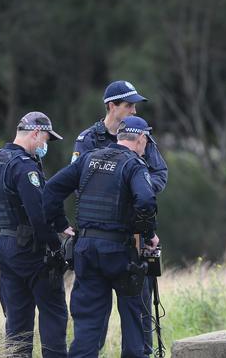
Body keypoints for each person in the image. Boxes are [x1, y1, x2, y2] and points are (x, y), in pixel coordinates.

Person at [43, 116, 159, 358]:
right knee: (133, 320)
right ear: (141, 139)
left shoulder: (88, 158)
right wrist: (148, 236)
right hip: (121, 253)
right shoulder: (134, 164)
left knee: (87, 326)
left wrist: (62, 224)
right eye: (146, 140)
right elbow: (146, 200)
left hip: (85, 250)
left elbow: (52, 189)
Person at [72, 80, 168, 354]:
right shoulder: (88, 140)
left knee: (138, 315)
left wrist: (135, 185)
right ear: (112, 106)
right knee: (91, 321)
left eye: (135, 105)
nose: (134, 110)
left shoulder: (140, 134)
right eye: (128, 105)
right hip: (99, 235)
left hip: (135, 236)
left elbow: (159, 174)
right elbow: (77, 181)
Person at [0, 111, 68, 357]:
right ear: (36, 133)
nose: (45, 146)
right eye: (46, 140)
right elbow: (38, 216)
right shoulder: (24, 167)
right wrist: (55, 246)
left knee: (17, 326)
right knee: (53, 316)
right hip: (34, 252)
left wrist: (1, 242)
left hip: (6, 250)